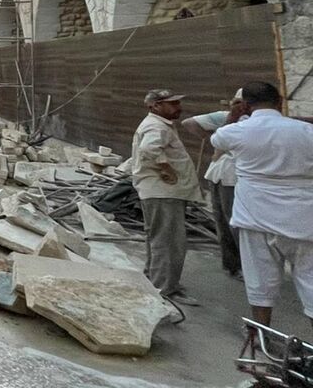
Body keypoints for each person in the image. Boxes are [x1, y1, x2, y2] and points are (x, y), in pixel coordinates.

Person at [211, 81, 313, 329]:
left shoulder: (236, 131)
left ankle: (259, 335)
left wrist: (235, 115)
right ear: (280, 102)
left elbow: (217, 139)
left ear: (245, 104)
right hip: (303, 216)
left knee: (260, 279)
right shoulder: (306, 132)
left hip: (255, 216)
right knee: (310, 278)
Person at [131, 88, 202, 305]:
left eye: (177, 103)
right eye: (171, 104)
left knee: (159, 237)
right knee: (169, 241)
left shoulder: (158, 124)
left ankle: (155, 279)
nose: (178, 107)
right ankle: (165, 289)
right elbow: (149, 149)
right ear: (155, 106)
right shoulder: (155, 126)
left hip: (160, 192)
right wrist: (166, 169)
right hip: (162, 192)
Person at [180, 89, 246, 280]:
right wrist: (212, 140)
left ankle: (243, 265)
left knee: (234, 222)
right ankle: (232, 264)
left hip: (235, 177)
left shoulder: (251, 123)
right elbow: (189, 123)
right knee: (223, 221)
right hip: (220, 175)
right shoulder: (225, 118)